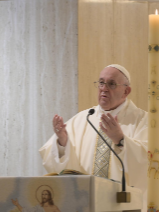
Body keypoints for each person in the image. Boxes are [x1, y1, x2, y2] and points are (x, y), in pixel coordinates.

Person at [39, 64, 148, 212]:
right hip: (85, 203)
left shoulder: (142, 120)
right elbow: (54, 163)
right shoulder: (83, 118)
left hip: (122, 204)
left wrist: (120, 140)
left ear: (126, 91)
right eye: (101, 83)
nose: (104, 88)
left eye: (111, 84)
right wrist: (62, 143)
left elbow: (148, 161)